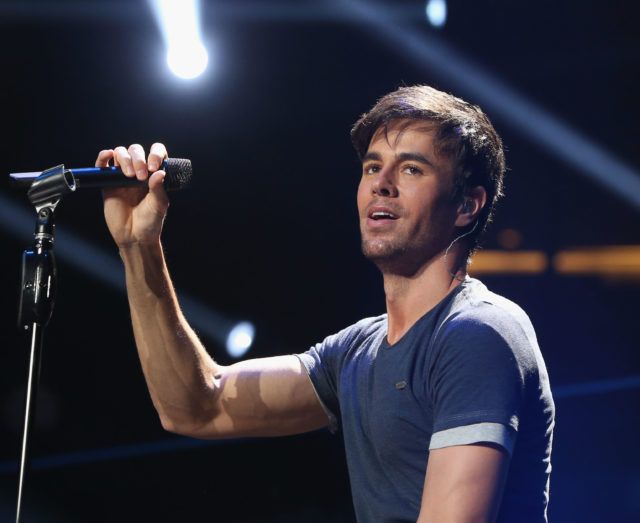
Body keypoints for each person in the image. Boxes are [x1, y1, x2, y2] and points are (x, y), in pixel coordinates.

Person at [97, 85, 554, 523]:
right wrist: (139, 248)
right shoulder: (355, 353)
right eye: (372, 167)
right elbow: (197, 406)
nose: (381, 185)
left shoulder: (477, 333)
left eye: (412, 169)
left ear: (467, 205)